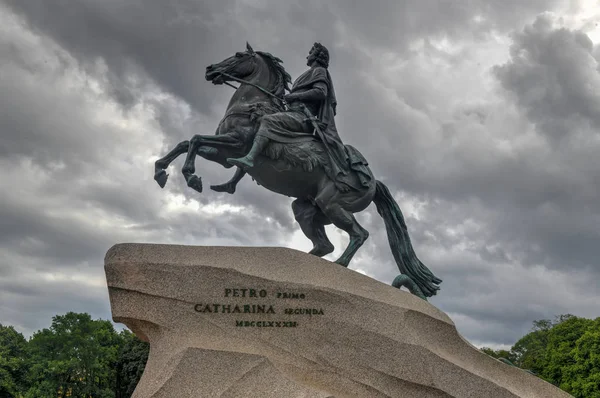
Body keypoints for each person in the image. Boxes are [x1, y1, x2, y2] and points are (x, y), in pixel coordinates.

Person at [227, 43, 352, 186]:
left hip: (302, 117)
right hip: (292, 112)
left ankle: (249, 158)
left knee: (268, 120)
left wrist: (294, 97)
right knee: (254, 125)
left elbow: (321, 92)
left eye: (310, 53)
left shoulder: (319, 71)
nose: (307, 55)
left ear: (317, 55)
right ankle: (233, 182)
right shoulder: (309, 73)